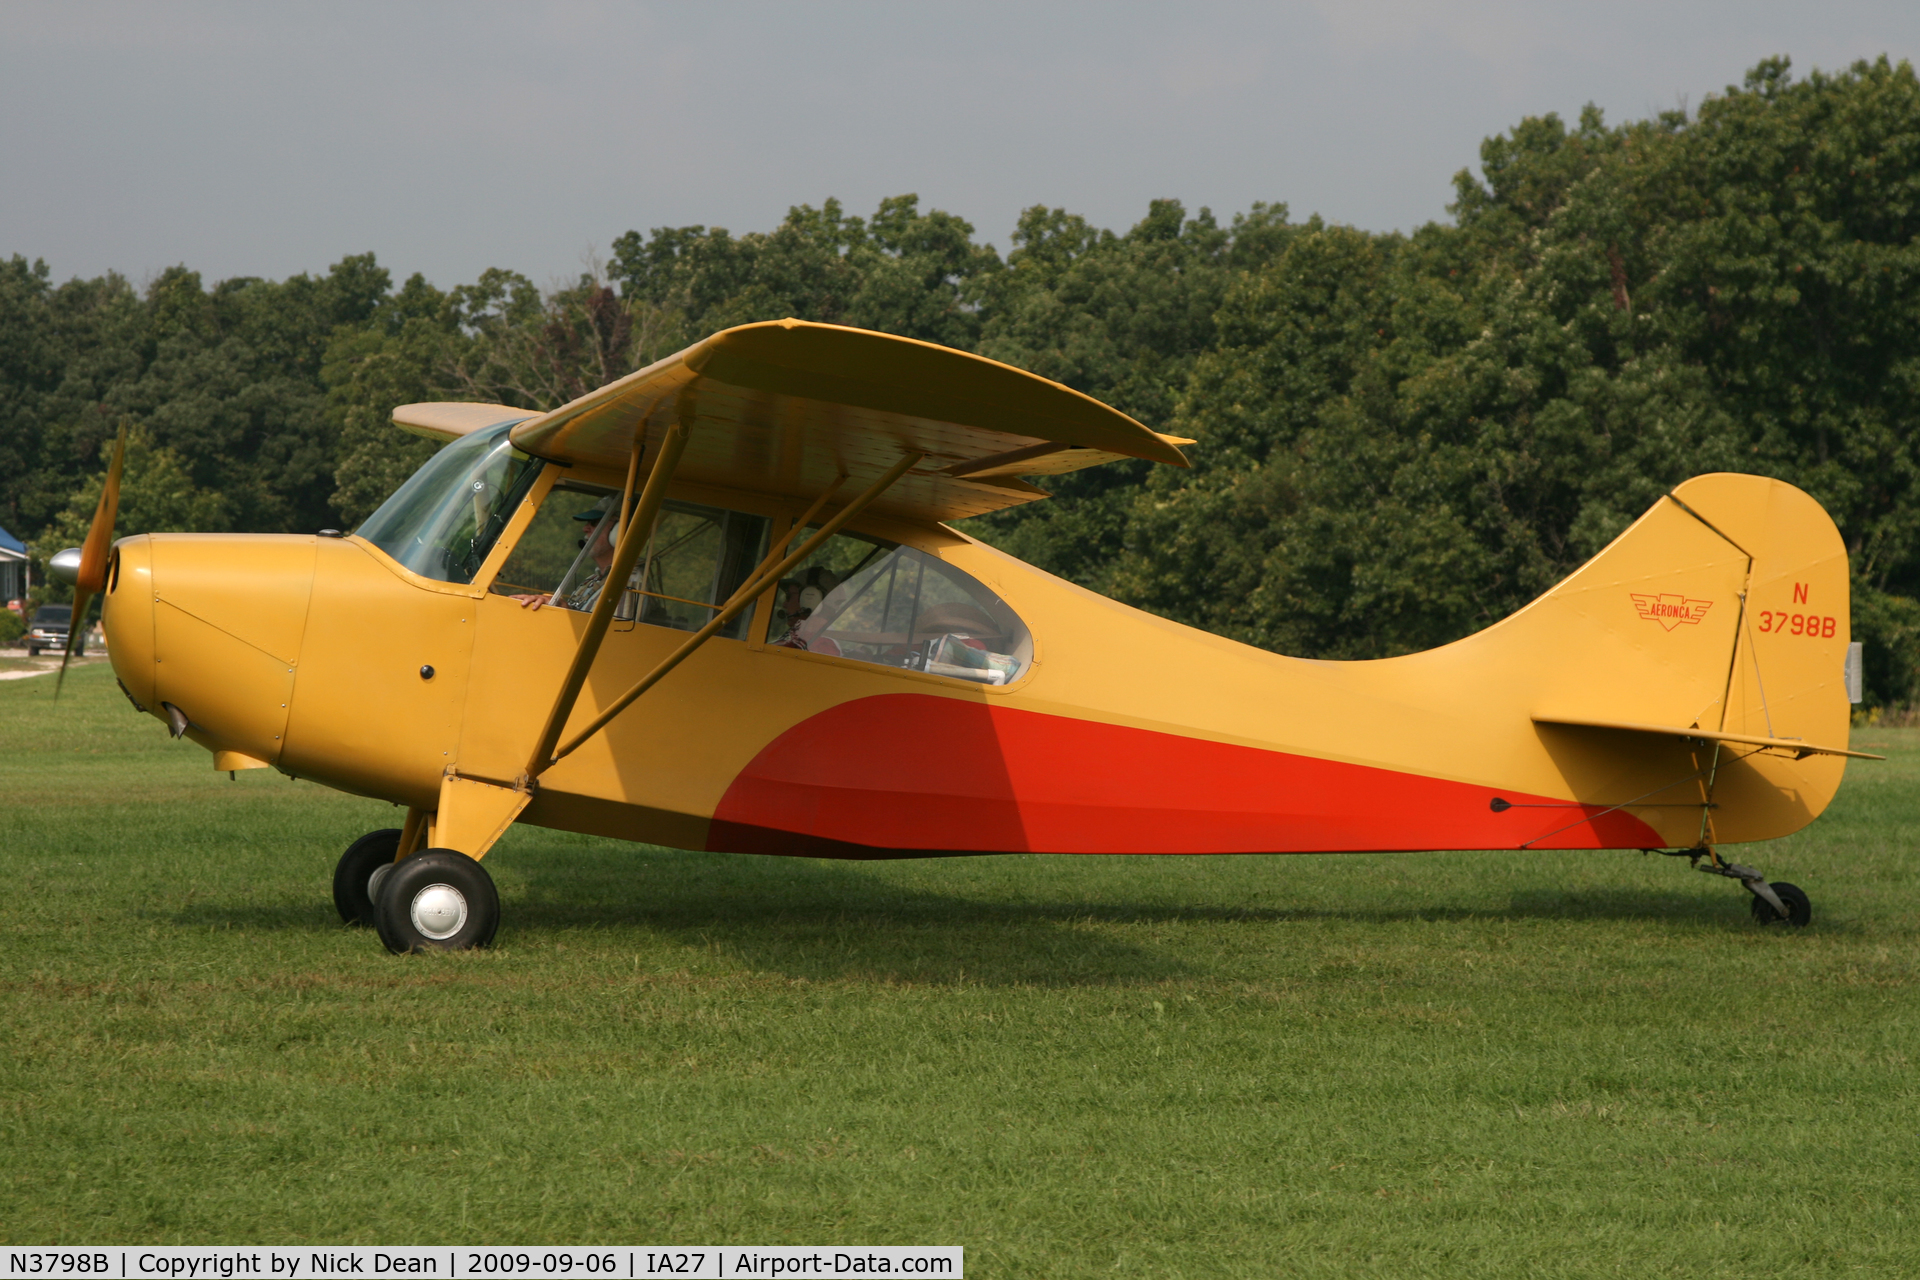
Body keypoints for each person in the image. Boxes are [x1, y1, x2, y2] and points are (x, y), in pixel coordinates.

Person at [510, 508, 619, 612]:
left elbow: (615, 629)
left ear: (618, 529)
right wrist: (558, 604)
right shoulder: (592, 580)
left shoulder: (629, 582)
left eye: (595, 523)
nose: (585, 528)